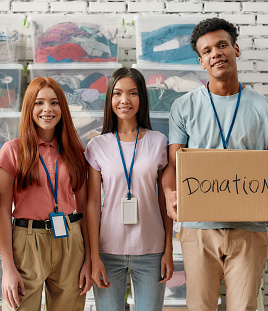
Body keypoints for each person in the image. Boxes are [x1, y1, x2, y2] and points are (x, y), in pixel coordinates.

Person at [161, 17, 268, 311]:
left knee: (244, 307)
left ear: (236, 49)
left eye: (222, 45)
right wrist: (168, 193)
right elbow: (173, 166)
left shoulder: (265, 109)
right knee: (199, 306)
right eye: (206, 51)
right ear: (201, 61)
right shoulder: (184, 106)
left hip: (249, 229)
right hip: (199, 228)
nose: (215, 53)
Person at [0, 76, 93, 311]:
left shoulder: (76, 151)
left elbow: (85, 208)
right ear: (29, 108)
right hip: (27, 243)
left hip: (71, 241)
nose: (47, 109)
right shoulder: (12, 150)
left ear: (63, 108)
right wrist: (7, 267)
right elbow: (1, 212)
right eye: (39, 103)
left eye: (54, 102)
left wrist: (89, 259)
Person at [85, 67, 174, 311]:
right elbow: (92, 204)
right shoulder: (96, 145)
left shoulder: (159, 142)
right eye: (118, 93)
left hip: (152, 250)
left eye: (132, 93)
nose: (125, 100)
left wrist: (168, 250)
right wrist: (93, 257)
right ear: (109, 99)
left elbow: (165, 200)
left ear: (141, 97)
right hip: (107, 250)